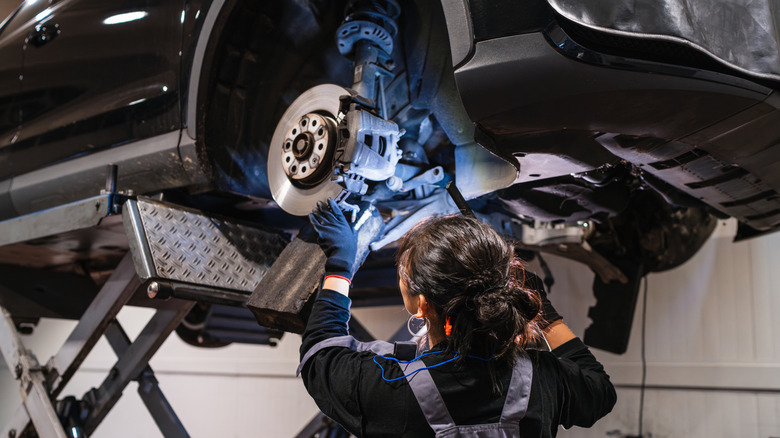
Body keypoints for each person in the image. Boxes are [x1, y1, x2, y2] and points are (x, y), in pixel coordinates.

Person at [299, 199, 616, 437]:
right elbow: (600, 391)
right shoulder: (544, 378)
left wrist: (341, 264)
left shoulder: (389, 387)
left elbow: (320, 354)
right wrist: (545, 314)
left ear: (421, 304)